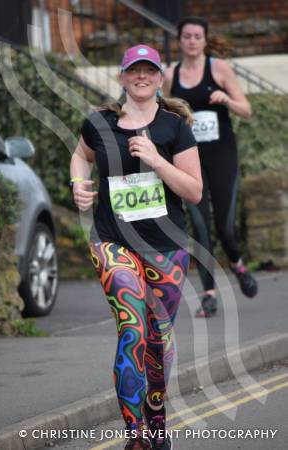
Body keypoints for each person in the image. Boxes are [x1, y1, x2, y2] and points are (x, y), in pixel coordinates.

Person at [70, 44, 202, 449]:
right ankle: (136, 436)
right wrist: (79, 184)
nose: (141, 76)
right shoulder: (99, 123)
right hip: (113, 243)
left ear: (160, 78)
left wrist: (157, 161)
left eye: (149, 70)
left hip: (166, 246)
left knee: (157, 340)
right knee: (132, 331)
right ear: (123, 76)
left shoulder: (173, 127)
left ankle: (157, 422)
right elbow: (80, 156)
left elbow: (194, 191)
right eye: (133, 70)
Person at [163, 16, 258, 318]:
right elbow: (164, 114)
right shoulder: (170, 75)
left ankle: (237, 264)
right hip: (188, 160)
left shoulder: (219, 69)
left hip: (221, 157)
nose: (191, 41)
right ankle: (208, 294)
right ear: (179, 41)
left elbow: (247, 110)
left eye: (197, 36)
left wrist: (227, 100)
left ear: (205, 40)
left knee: (225, 228)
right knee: (201, 227)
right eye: (186, 36)